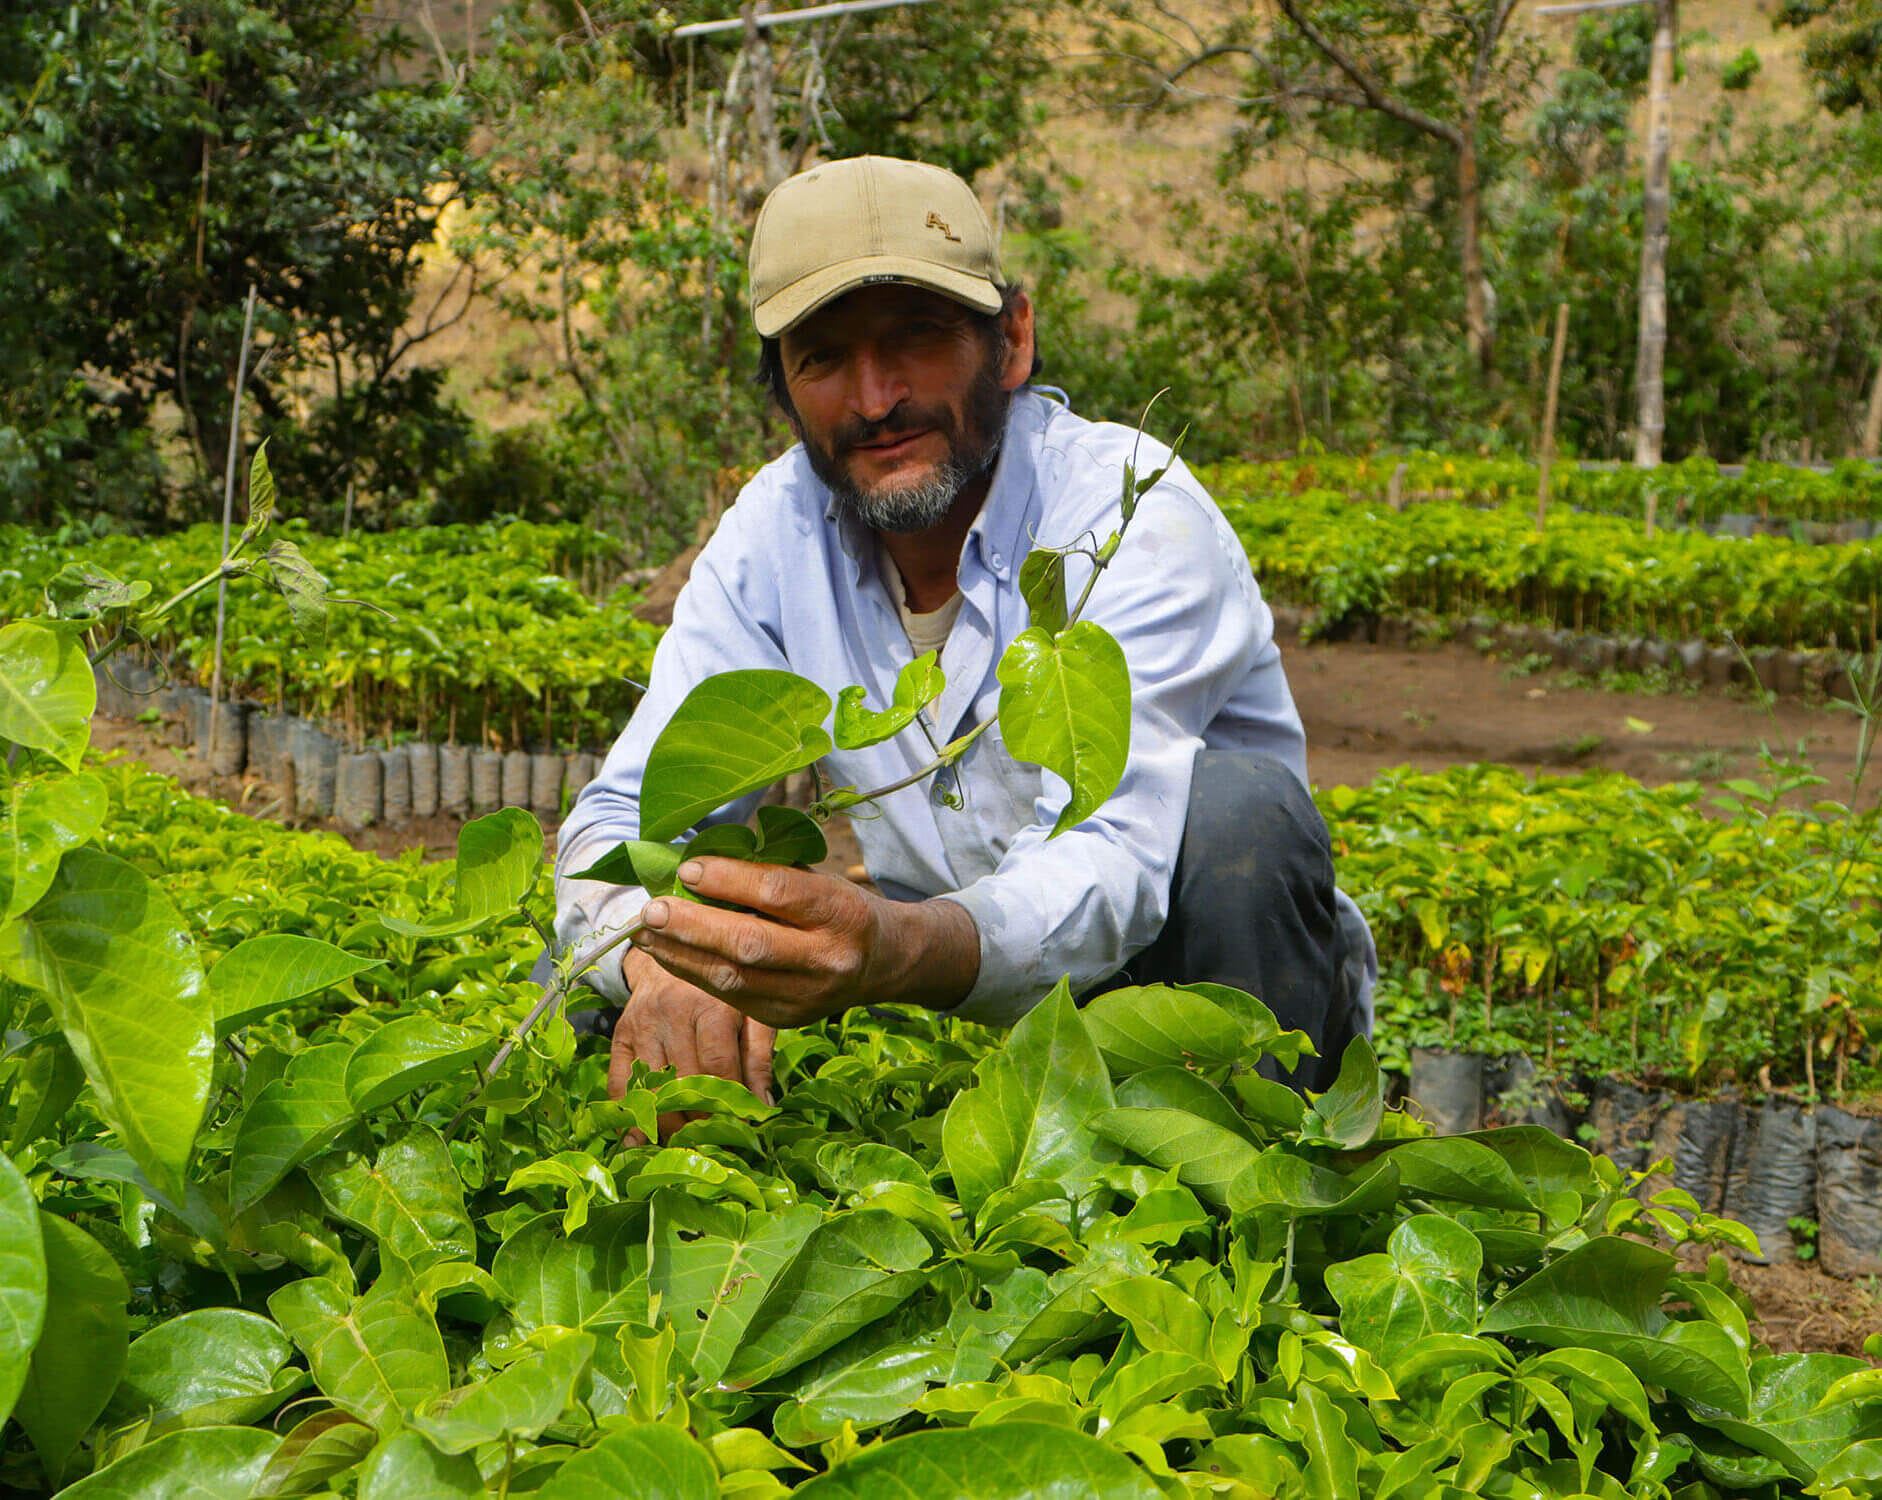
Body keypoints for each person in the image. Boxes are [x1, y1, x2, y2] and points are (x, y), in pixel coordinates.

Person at [554, 155, 1374, 1109]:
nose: (873, 399)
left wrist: (897, 946)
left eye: (916, 337)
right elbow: (622, 823)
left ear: (1012, 341)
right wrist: (654, 966)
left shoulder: (1124, 515)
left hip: (1175, 986)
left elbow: (1115, 853)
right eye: (822, 357)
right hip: (945, 1009)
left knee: (1240, 814)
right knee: (611, 963)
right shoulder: (771, 536)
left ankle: (1270, 1186)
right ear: (781, 385)